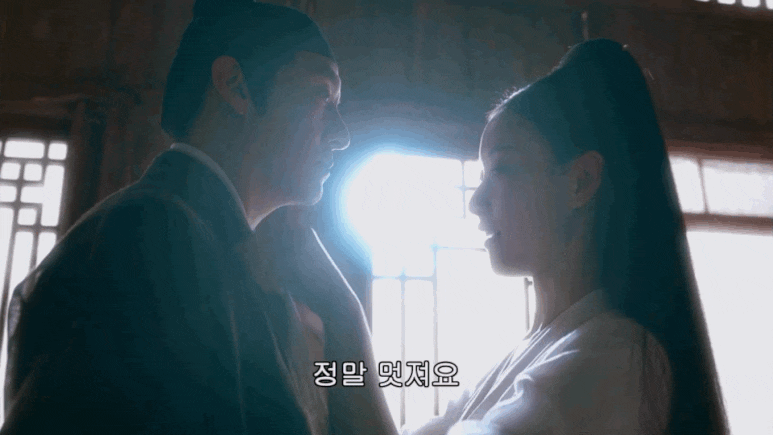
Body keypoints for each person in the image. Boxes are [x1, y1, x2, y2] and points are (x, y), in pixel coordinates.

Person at [1, 2, 394, 434]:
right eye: (322, 95)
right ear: (236, 86)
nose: (342, 135)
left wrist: (342, 311)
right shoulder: (152, 241)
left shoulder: (185, 236)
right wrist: (343, 317)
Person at [405, 39, 728, 435]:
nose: (477, 201)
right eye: (482, 175)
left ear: (580, 182)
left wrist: (346, 317)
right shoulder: (535, 349)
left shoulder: (615, 353)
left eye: (502, 169)